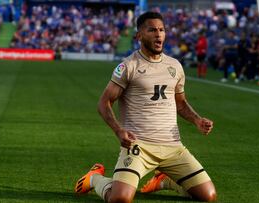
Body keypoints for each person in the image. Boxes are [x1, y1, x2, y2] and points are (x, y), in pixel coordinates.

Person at [74, 11, 217, 203]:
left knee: (208, 196)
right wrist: (118, 131)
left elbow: (180, 103)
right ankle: (95, 179)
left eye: (162, 30)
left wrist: (197, 120)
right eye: (152, 30)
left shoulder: (175, 66)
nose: (158, 34)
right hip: (139, 147)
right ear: (139, 36)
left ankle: (164, 181)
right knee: (119, 199)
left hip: (173, 147)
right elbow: (104, 102)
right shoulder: (128, 66)